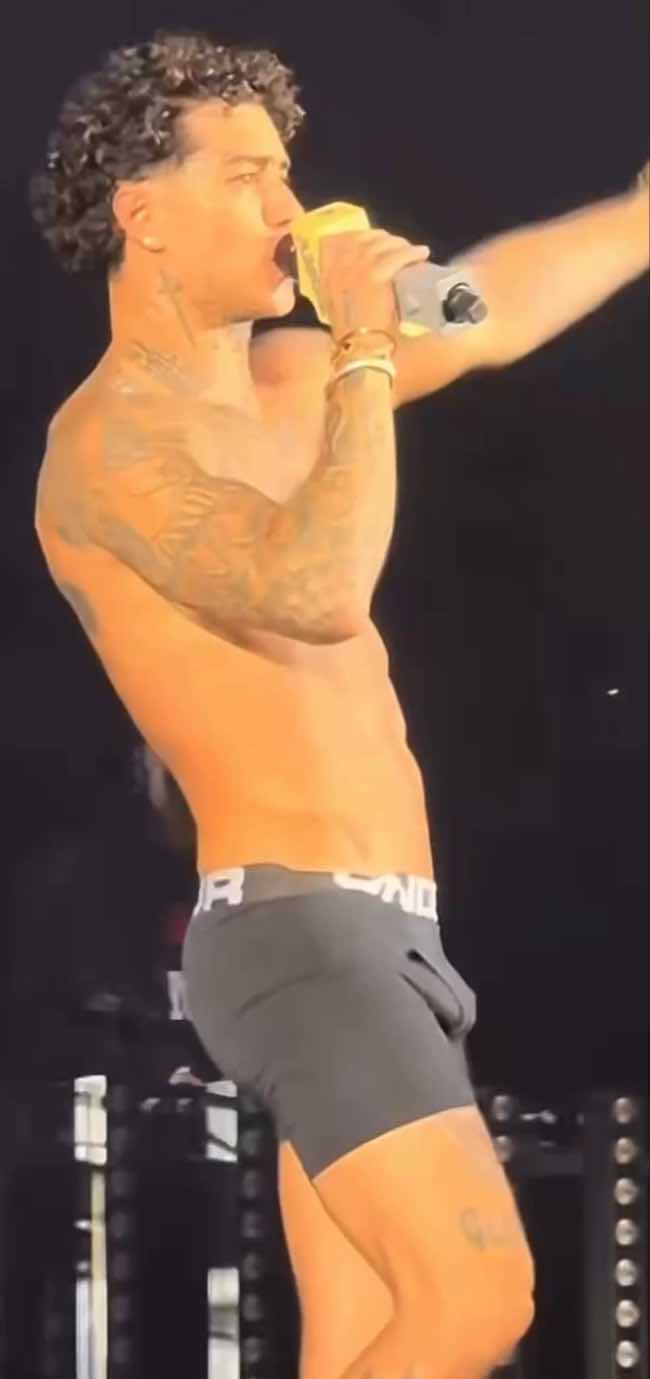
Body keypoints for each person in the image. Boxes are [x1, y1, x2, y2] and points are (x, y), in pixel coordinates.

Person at [30, 29, 648, 1379]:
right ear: (143, 215)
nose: (288, 206)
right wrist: (365, 347)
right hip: (297, 933)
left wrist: (635, 218)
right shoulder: (112, 448)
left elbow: (490, 304)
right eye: (246, 176)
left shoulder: (295, 379)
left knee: (368, 1341)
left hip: (394, 935)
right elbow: (309, 589)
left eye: (286, 174)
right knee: (475, 1300)